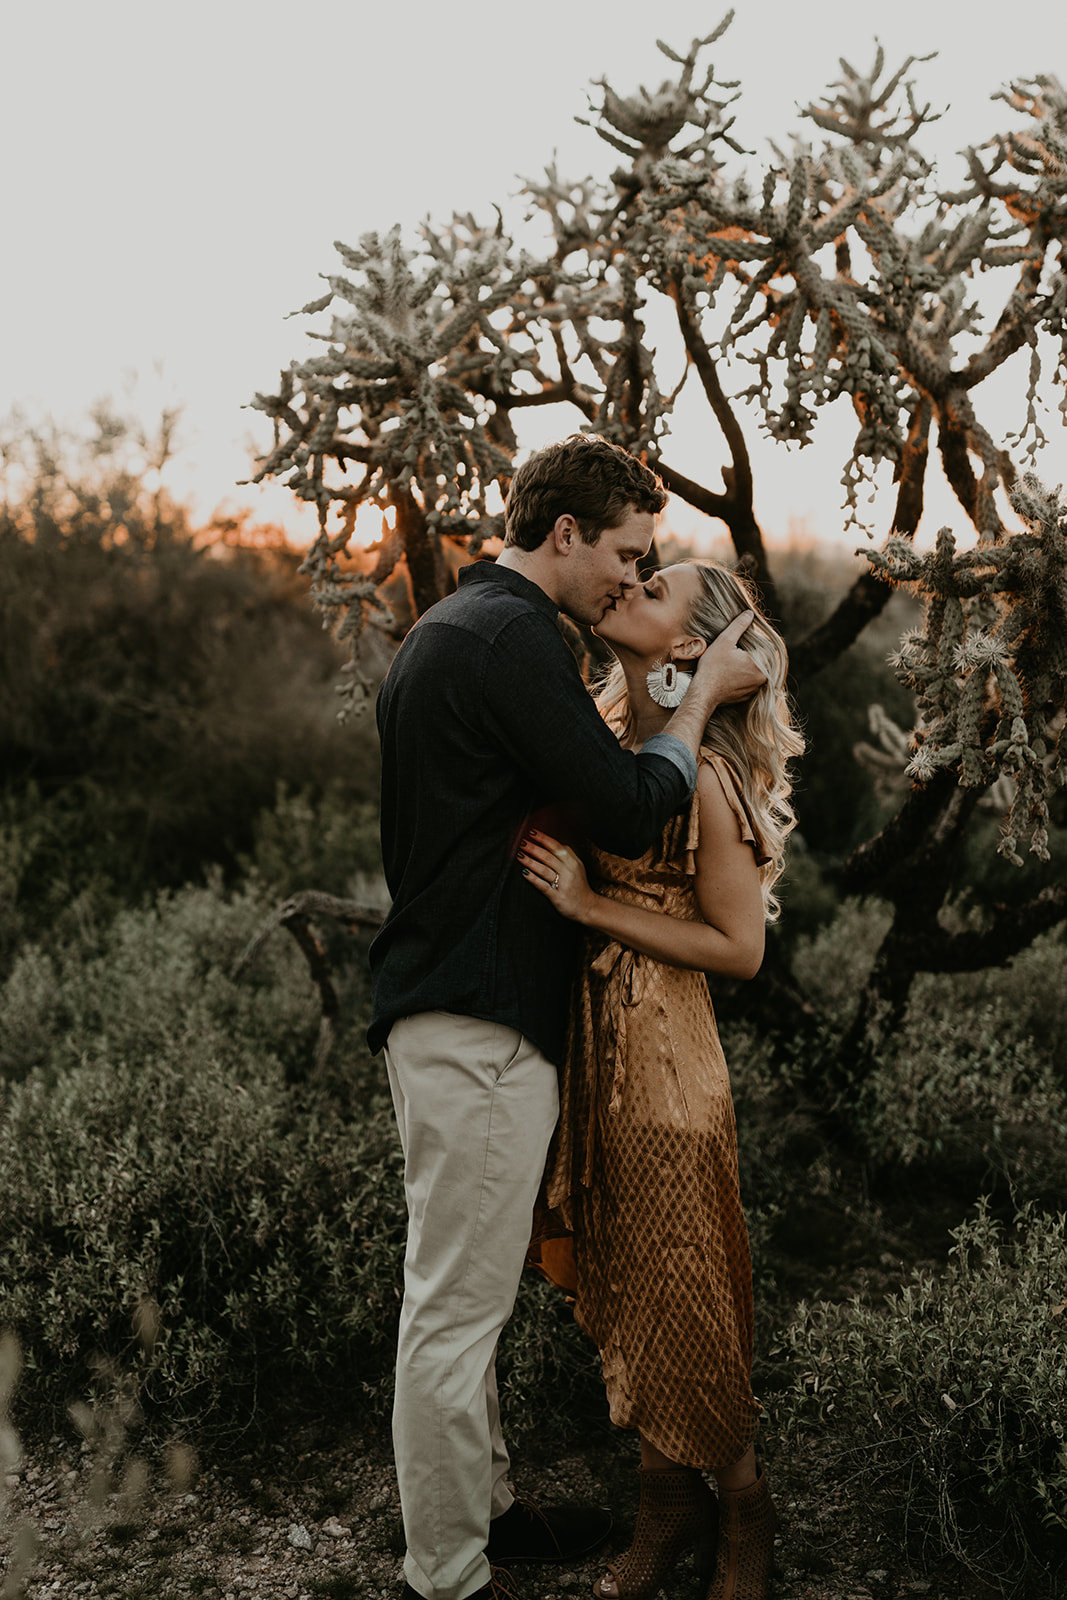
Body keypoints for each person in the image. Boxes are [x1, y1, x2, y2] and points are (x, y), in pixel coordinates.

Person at [368, 435, 766, 1600]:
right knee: (451, 1310)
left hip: (464, 1012)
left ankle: (490, 1510)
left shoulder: (456, 628)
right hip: (480, 1024)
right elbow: (631, 805)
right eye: (627, 556)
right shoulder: (510, 641)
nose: (626, 581)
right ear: (564, 536)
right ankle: (447, 1574)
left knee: (463, 1296)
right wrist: (693, 706)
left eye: (650, 570)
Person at [519, 559, 803, 1600]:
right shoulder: (604, 724)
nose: (630, 585)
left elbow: (737, 948)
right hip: (590, 1040)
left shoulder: (713, 781)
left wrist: (592, 907)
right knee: (625, 1274)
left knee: (680, 1280)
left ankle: (742, 1504)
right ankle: (663, 1503)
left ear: (689, 647)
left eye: (657, 589)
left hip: (663, 1054)